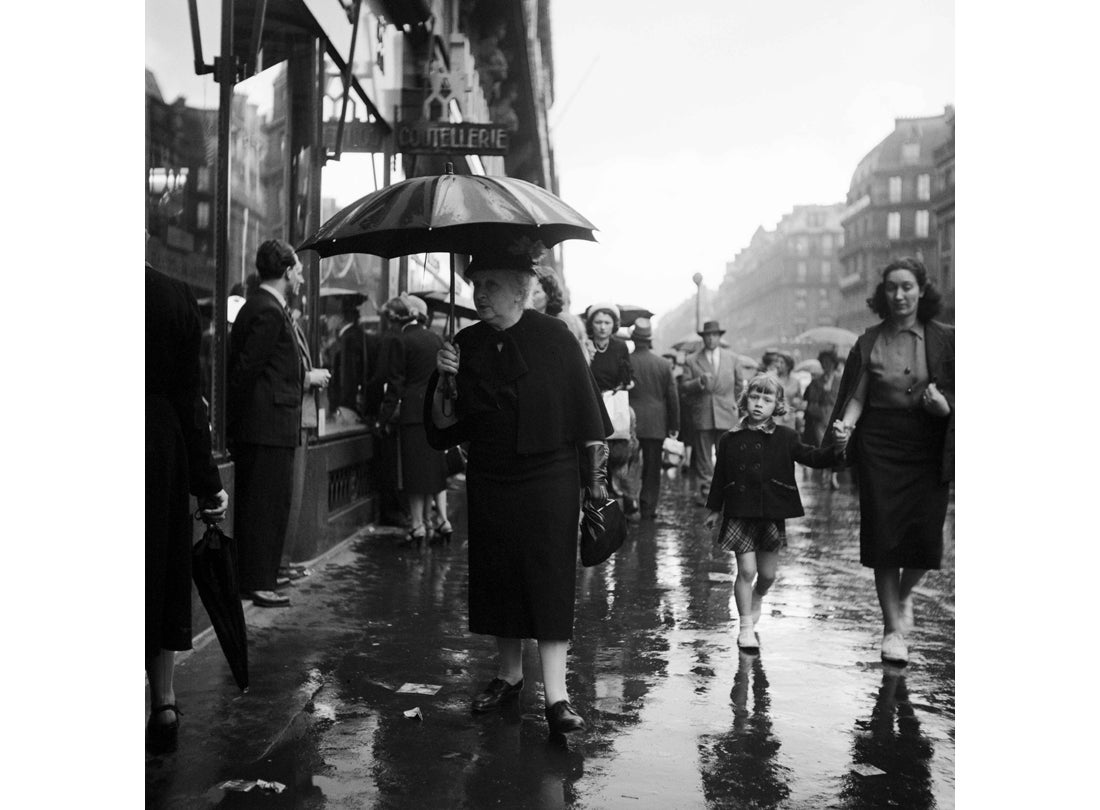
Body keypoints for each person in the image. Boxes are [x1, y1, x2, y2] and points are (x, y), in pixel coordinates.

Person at [425, 250, 612, 736]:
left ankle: (557, 697)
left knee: (549, 578)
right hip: (491, 476)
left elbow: (590, 418)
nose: (479, 294)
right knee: (499, 575)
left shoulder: (556, 337)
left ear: (520, 289)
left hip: (551, 476)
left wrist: (595, 485)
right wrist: (444, 378)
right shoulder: (465, 343)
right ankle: (509, 677)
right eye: (475, 284)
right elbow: (443, 429)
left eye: (490, 283)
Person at [826, 257, 954, 665]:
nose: (899, 295)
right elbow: (857, 397)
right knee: (884, 540)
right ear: (883, 293)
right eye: (891, 287)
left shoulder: (946, 338)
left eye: (907, 286)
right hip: (880, 446)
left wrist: (946, 408)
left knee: (927, 540)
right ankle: (892, 630)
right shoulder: (869, 340)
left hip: (927, 445)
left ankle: (902, 596)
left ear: (921, 290)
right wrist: (845, 427)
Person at [146, 261, 228, 753]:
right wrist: (208, 484)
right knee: (157, 569)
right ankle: (163, 701)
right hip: (156, 449)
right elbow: (189, 399)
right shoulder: (173, 297)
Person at [702, 374, 846, 651]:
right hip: (739, 511)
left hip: (771, 511)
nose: (759, 404)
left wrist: (838, 450)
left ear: (777, 405)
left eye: (767, 400)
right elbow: (720, 475)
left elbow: (812, 457)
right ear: (745, 399)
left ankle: (758, 596)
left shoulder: (786, 437)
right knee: (746, 570)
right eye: (754, 397)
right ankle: (745, 627)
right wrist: (713, 508)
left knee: (767, 576)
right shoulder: (729, 439)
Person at [228, 239, 328, 607]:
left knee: (271, 506)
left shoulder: (268, 307)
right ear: (286, 272)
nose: (301, 277)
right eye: (298, 271)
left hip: (271, 427)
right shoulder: (267, 310)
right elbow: (245, 372)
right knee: (264, 508)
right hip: (265, 429)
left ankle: (264, 576)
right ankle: (257, 581)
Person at [381, 293, 451, 545]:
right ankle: (440, 520)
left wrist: (384, 417)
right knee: (433, 471)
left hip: (411, 414)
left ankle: (417, 525)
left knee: (413, 472)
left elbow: (396, 383)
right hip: (434, 413)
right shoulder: (436, 338)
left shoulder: (402, 340)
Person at [681, 320, 743, 505]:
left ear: (719, 337)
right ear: (703, 337)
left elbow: (739, 385)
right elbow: (683, 387)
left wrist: (734, 404)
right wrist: (698, 382)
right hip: (703, 413)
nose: (711, 339)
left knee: (727, 454)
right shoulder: (691, 360)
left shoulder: (732, 358)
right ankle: (707, 491)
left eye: (714, 335)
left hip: (726, 413)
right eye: (707, 335)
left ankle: (727, 490)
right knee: (703, 457)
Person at [585, 303, 637, 512]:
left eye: (607, 322)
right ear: (591, 324)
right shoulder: (584, 345)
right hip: (590, 402)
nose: (602, 327)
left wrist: (623, 385)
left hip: (614, 402)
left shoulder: (620, 347)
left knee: (626, 441)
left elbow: (628, 376)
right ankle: (595, 493)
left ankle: (624, 490)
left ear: (613, 325)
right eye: (598, 322)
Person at [627, 318, 680, 519]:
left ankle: (630, 504)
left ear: (634, 339)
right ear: (649, 340)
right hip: (656, 424)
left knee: (629, 465)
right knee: (652, 469)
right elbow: (672, 398)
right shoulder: (664, 364)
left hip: (630, 423)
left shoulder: (626, 361)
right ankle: (648, 508)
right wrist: (674, 425)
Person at [801, 346, 843, 487]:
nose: (826, 365)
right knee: (823, 445)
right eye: (824, 362)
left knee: (837, 445)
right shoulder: (816, 381)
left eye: (829, 362)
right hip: (821, 418)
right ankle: (826, 471)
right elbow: (811, 401)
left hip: (837, 417)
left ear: (834, 363)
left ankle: (833, 474)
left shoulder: (840, 380)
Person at [326, 294, 366, 426]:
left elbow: (347, 374)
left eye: (330, 316)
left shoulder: (348, 339)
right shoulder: (355, 335)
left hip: (345, 406)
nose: (327, 320)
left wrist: (342, 403)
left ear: (340, 317)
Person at [761, 349, 804, 433]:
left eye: (782, 362)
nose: (778, 365)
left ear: (788, 366)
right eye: (777, 362)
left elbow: (800, 400)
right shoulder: (770, 378)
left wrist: (796, 403)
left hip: (789, 419)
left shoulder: (795, 381)